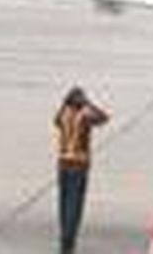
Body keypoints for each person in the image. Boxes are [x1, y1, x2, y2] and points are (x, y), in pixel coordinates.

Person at [53, 86, 110, 254]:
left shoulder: (64, 115)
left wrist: (65, 103)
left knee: (63, 204)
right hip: (78, 166)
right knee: (74, 205)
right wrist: (89, 104)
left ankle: (64, 236)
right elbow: (104, 118)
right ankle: (68, 241)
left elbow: (55, 120)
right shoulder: (84, 117)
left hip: (63, 164)